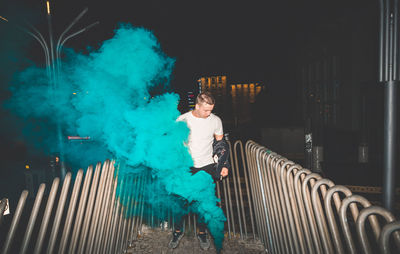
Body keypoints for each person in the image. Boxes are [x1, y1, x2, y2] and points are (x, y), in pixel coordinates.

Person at [169, 91, 230, 250]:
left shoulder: (216, 120)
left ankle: (202, 233)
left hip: (207, 165)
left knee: (206, 201)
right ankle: (177, 231)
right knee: (181, 201)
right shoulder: (182, 120)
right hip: (186, 167)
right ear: (197, 106)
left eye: (211, 110)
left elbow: (220, 144)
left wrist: (224, 165)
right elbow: (173, 146)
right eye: (206, 110)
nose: (209, 113)